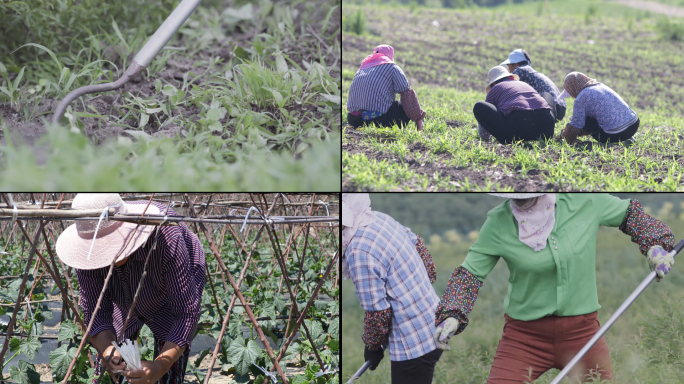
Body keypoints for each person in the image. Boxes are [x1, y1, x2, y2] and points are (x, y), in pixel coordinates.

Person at [433, 193, 676, 383]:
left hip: (582, 335)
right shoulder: (498, 222)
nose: (519, 199)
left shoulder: (584, 200)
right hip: (523, 338)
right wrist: (453, 313)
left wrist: (655, 245)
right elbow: (470, 273)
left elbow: (630, 215)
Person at [55, 193, 206, 384]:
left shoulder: (167, 235)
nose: (106, 258)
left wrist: (159, 366)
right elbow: (96, 313)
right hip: (122, 294)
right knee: (113, 359)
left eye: (109, 249)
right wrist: (108, 350)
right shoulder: (88, 247)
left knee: (169, 369)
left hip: (169, 289)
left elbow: (185, 314)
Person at [342, 193, 441, 384]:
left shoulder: (358, 251)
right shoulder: (378, 218)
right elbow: (419, 245)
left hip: (414, 343)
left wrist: (372, 346)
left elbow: (377, 313)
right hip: (435, 320)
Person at [346, 45, 426, 130]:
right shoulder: (392, 67)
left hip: (354, 119)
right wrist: (418, 117)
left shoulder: (362, 69)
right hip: (377, 120)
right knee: (404, 104)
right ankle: (396, 129)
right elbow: (407, 93)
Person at [473, 66, 556, 144]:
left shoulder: (495, 88)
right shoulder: (524, 84)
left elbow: (486, 116)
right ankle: (550, 135)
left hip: (517, 130)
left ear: (494, 83)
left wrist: (484, 137)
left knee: (479, 106)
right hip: (545, 128)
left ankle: (506, 138)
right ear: (511, 77)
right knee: (546, 95)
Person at [559, 72, 639, 145]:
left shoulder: (581, 97)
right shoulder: (600, 86)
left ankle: (606, 143)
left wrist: (566, 136)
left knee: (585, 119)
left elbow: (576, 125)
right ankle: (628, 138)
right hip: (633, 125)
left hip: (615, 134)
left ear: (573, 87)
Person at [501, 49, 566, 121]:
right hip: (561, 108)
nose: (508, 69)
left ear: (515, 64)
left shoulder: (520, 70)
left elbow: (508, 88)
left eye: (508, 65)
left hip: (551, 108)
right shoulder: (530, 71)